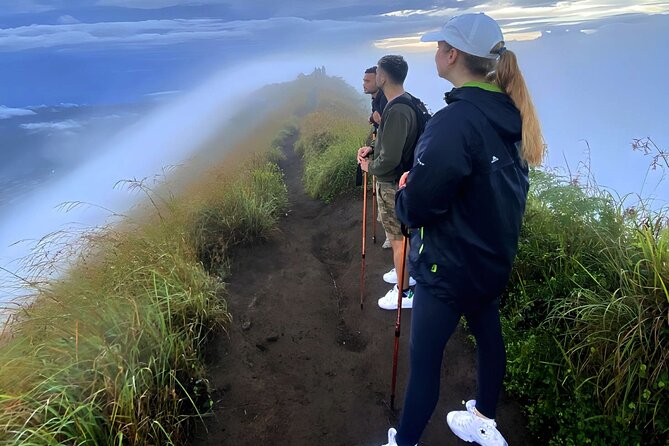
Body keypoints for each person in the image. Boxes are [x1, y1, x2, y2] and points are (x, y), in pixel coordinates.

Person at [379, 13, 545, 446]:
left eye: (439, 46)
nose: (434, 52)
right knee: (489, 336)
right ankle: (485, 419)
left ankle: (406, 440)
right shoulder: (509, 113)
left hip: (447, 268)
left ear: (453, 55)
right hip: (491, 259)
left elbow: (418, 206)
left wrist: (403, 193)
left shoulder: (454, 122)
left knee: (426, 362)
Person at [358, 55, 418, 310]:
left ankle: (404, 292)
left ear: (383, 77)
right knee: (400, 236)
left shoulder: (396, 110)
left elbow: (391, 159)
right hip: (400, 180)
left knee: (398, 238)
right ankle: (404, 272)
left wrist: (368, 166)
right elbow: (391, 146)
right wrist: (372, 149)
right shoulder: (405, 103)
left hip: (392, 183)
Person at [362, 66, 392, 249]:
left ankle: (393, 237)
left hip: (388, 159)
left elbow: (387, 128)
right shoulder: (377, 100)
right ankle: (391, 235)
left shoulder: (384, 101)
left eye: (368, 81)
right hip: (380, 149)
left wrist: (376, 121)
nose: (364, 84)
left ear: (379, 81)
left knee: (386, 193)